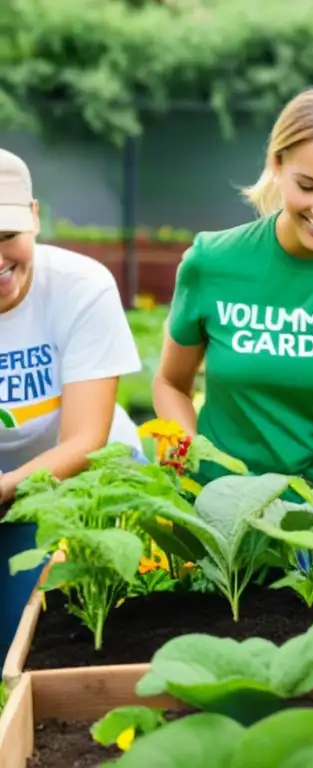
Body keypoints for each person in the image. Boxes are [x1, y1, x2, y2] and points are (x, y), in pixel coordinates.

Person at [152, 86, 313, 502]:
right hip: (221, 513)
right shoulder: (211, 261)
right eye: (308, 186)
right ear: (277, 164)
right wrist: (188, 464)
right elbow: (170, 384)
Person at [0, 148, 143, 657]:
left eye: (6, 237)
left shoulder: (81, 286)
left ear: (34, 217)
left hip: (86, 482)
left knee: (52, 639)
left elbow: (86, 440)